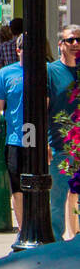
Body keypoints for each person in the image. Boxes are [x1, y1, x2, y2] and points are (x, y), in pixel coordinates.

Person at [0, 34, 29, 240]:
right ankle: (23, 230)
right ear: (18, 50)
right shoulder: (6, 74)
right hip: (16, 139)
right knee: (18, 187)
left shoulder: (45, 71)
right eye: (24, 47)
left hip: (41, 138)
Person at [48, 25, 80, 241]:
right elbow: (41, 109)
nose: (76, 44)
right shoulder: (51, 72)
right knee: (57, 202)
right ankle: (57, 248)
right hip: (60, 148)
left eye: (79, 40)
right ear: (61, 44)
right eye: (71, 40)